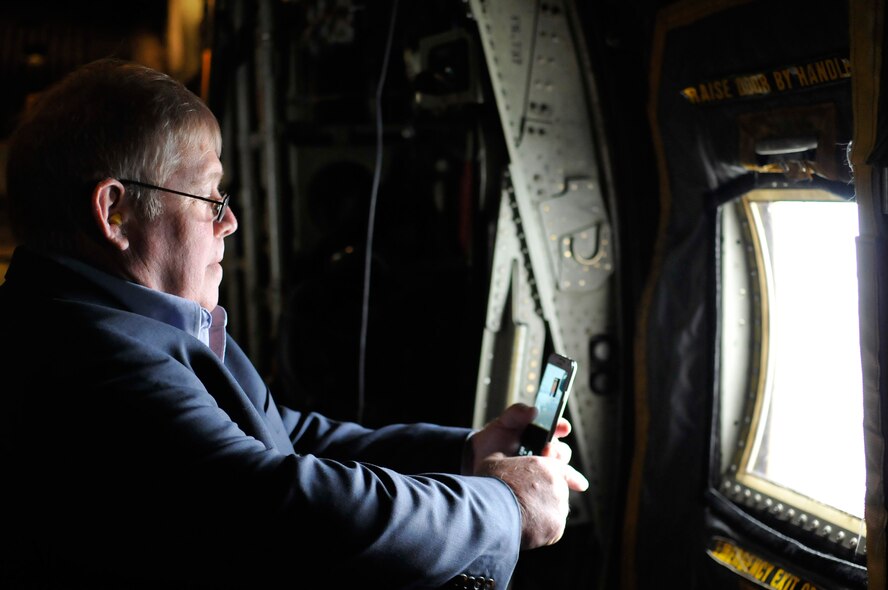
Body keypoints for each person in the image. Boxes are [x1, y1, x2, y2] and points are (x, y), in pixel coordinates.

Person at [0, 57, 589, 589]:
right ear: (115, 211)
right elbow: (280, 506)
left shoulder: (118, 320)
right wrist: (503, 505)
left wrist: (466, 453)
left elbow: (287, 433)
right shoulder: (88, 356)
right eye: (210, 199)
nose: (228, 223)